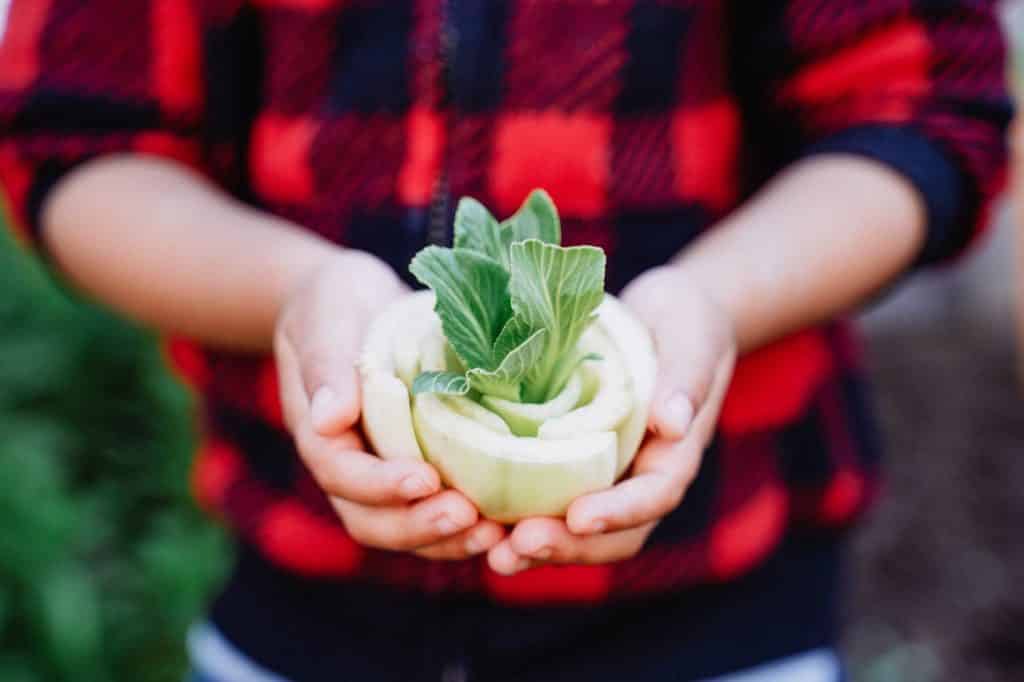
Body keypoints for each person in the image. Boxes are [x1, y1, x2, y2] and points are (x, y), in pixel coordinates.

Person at [0, 1, 1010, 680]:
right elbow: (81, 145)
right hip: (302, 614)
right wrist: (298, 289)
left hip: (720, 620)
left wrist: (711, 300)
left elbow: (925, 109)